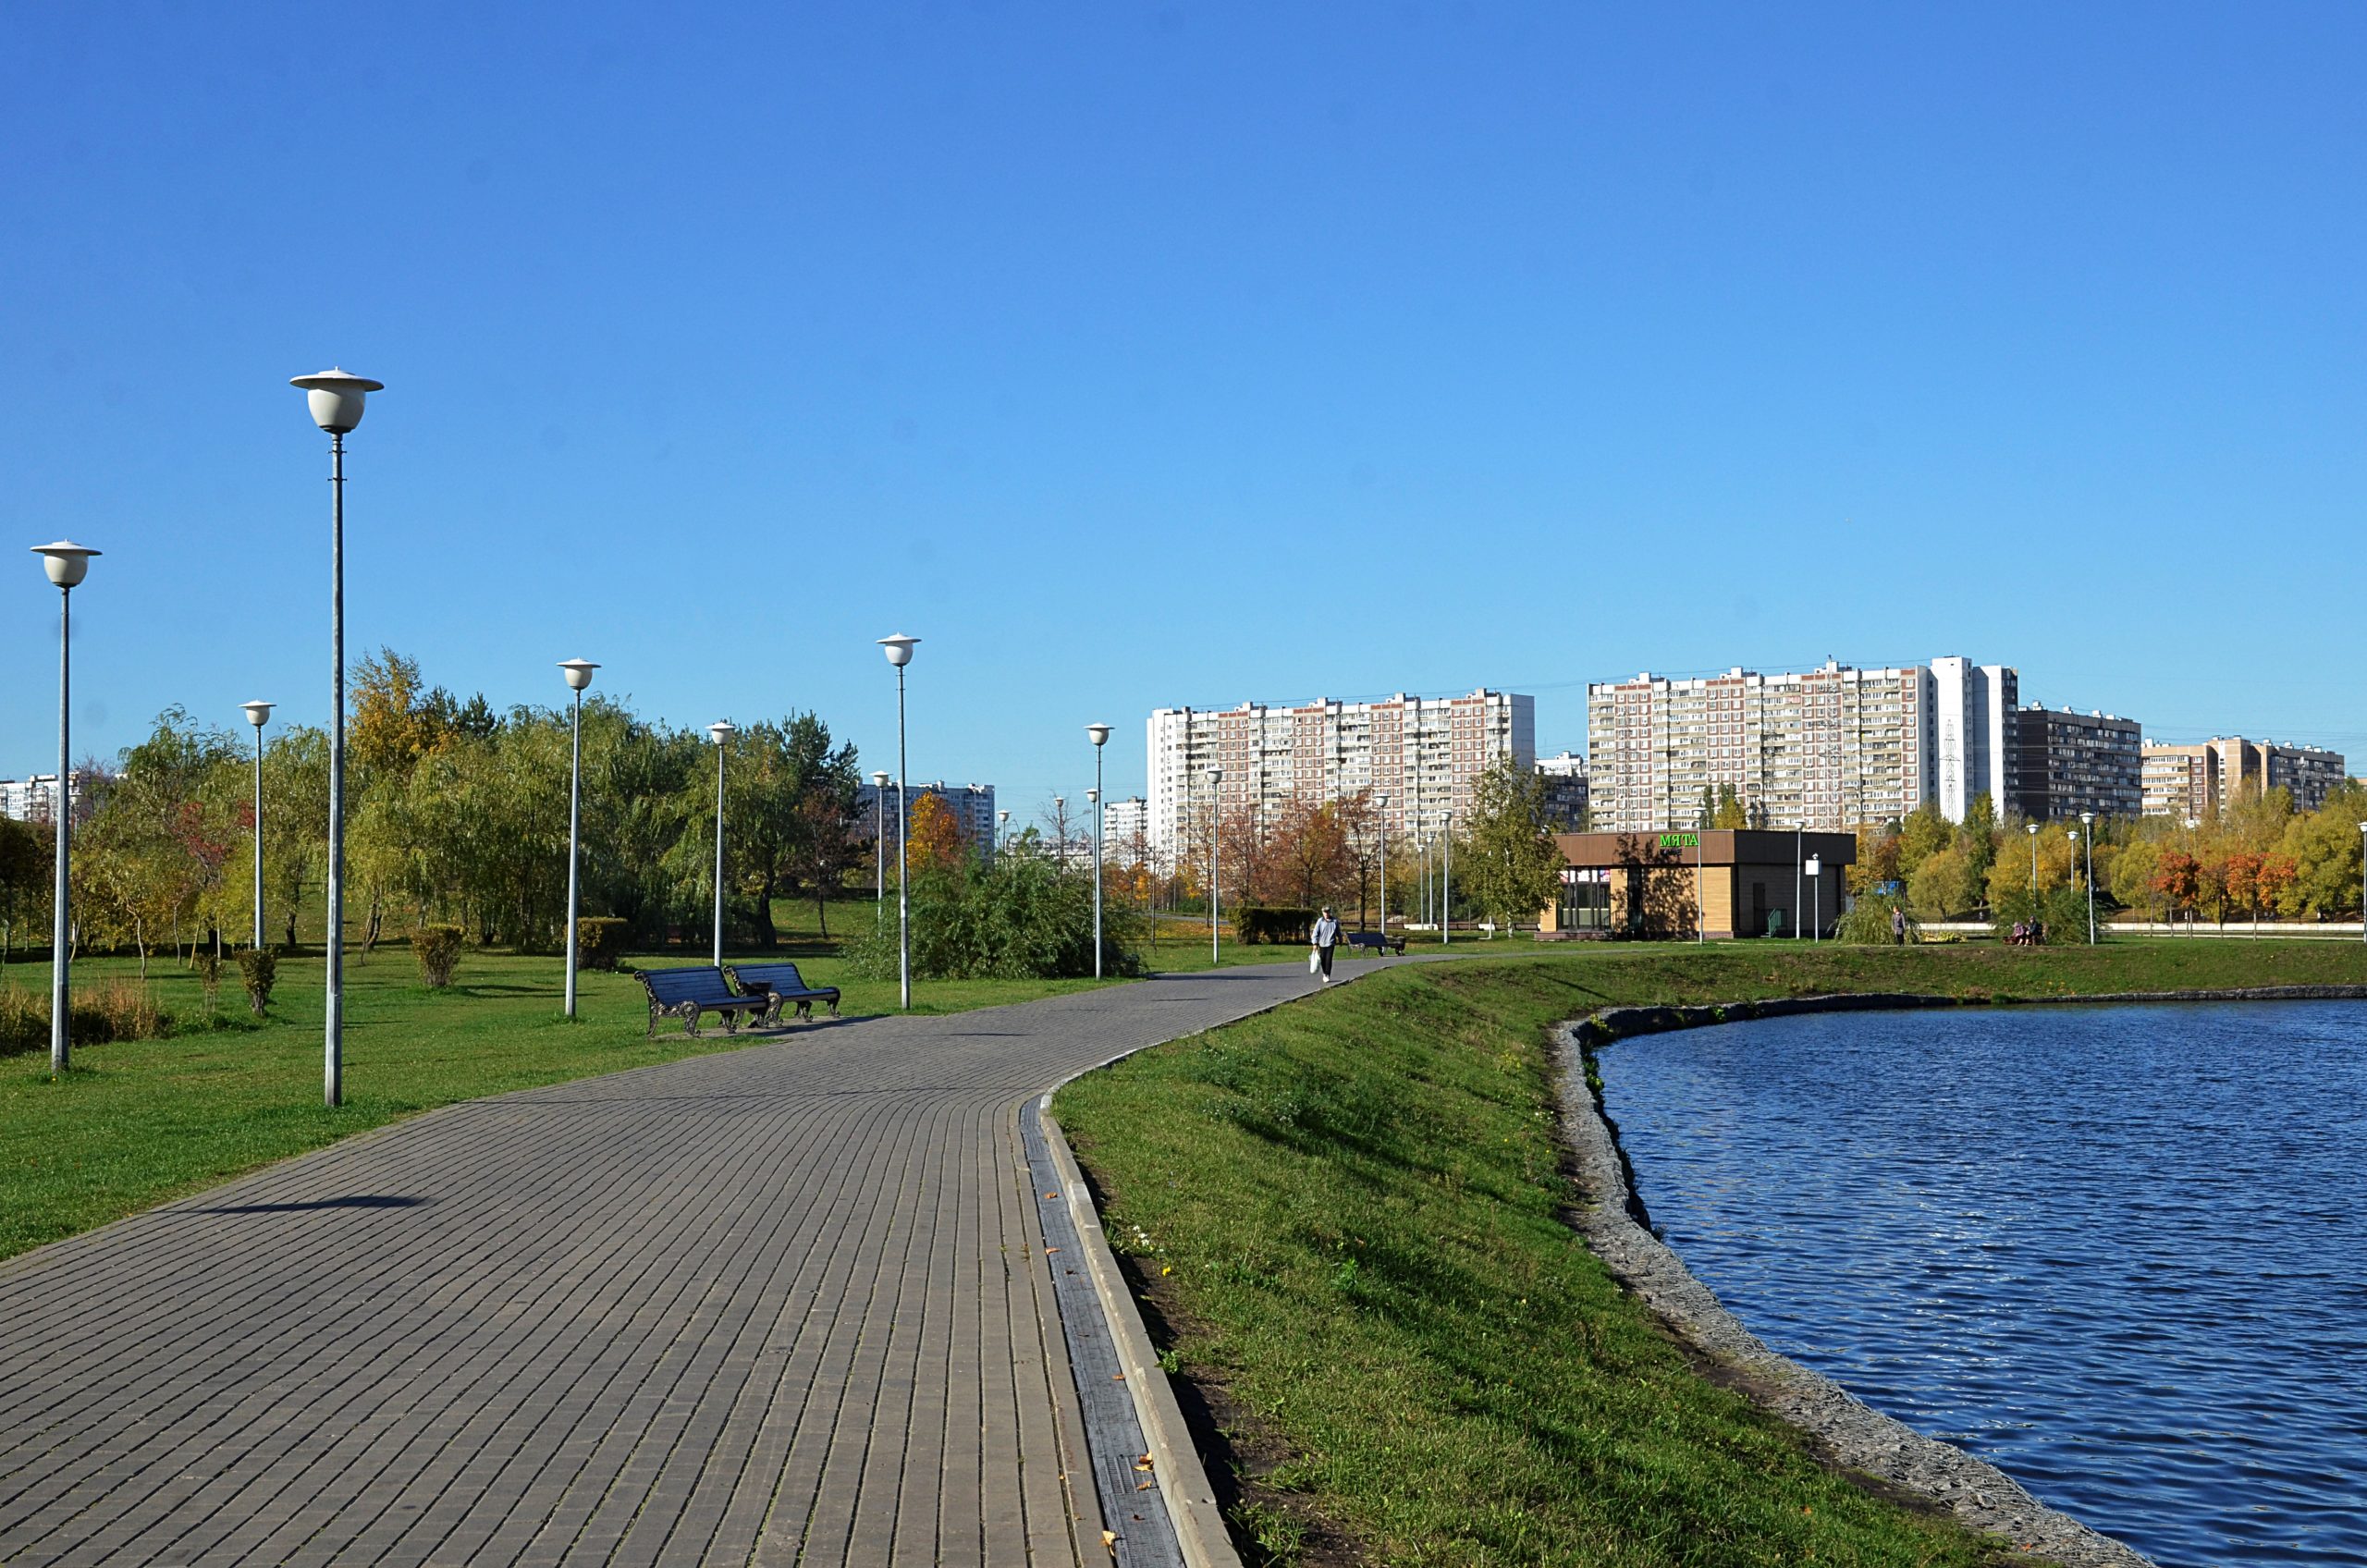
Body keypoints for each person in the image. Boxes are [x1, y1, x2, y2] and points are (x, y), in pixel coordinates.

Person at [1310, 906, 1341, 985]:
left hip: (1330, 943)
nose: (1326, 914)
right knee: (1323, 960)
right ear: (1323, 913)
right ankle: (1324, 973)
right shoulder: (1320, 921)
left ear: (1330, 912)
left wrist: (1340, 939)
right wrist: (1315, 943)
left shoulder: (1334, 921)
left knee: (1328, 960)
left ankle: (1327, 974)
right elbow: (1315, 933)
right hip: (1322, 944)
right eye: (1325, 912)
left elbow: (1338, 932)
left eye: (1327, 912)